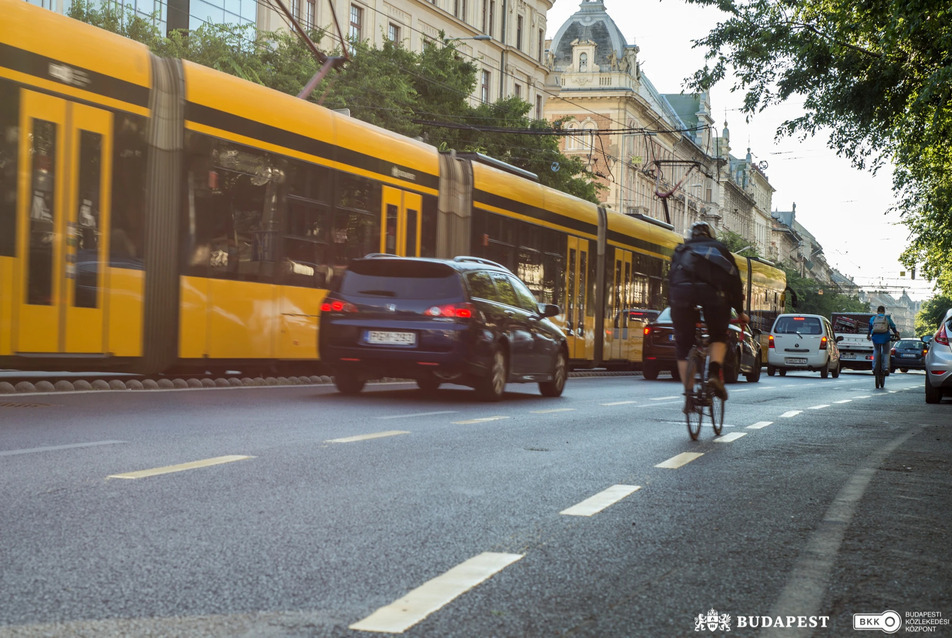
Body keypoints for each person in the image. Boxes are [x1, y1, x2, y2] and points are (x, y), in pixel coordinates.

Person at [669, 221, 750, 411]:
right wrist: (740, 311)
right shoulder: (720, 249)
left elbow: (671, 280)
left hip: (681, 296)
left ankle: (689, 396)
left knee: (682, 345)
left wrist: (674, 304)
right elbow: (735, 283)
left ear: (690, 236)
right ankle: (713, 373)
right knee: (718, 335)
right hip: (714, 296)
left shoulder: (680, 251)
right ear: (710, 235)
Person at [867, 305, 900, 378]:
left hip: (875, 337)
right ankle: (885, 368)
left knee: (876, 350)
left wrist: (868, 335)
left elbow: (870, 327)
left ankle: (874, 368)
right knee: (886, 352)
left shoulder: (873, 318)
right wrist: (896, 335)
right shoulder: (887, 318)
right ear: (884, 311)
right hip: (885, 337)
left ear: (877, 311)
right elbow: (893, 327)